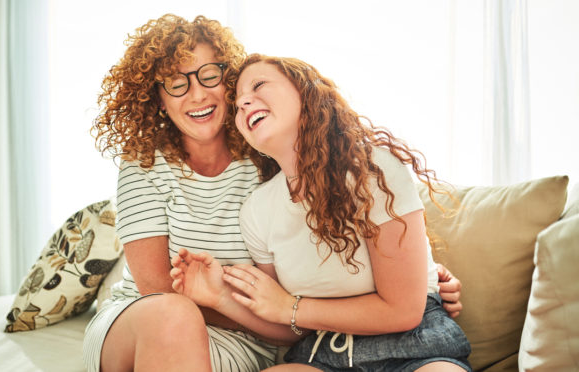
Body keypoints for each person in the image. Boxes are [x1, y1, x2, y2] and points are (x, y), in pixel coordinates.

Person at [83, 13, 463, 372]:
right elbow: (157, 291)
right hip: (150, 321)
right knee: (172, 314)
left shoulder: (268, 157)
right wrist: (244, 305)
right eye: (176, 83)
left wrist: (421, 277)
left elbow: (316, 268)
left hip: (247, 336)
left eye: (209, 75)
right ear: (158, 99)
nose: (196, 94)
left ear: (228, 84)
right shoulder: (146, 163)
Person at [170, 54, 471, 371]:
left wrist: (290, 306)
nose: (244, 102)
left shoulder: (372, 170)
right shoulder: (257, 211)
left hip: (416, 347)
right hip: (322, 353)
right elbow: (287, 327)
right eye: (238, 104)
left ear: (306, 92)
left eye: (258, 86)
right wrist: (220, 296)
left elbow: (402, 311)